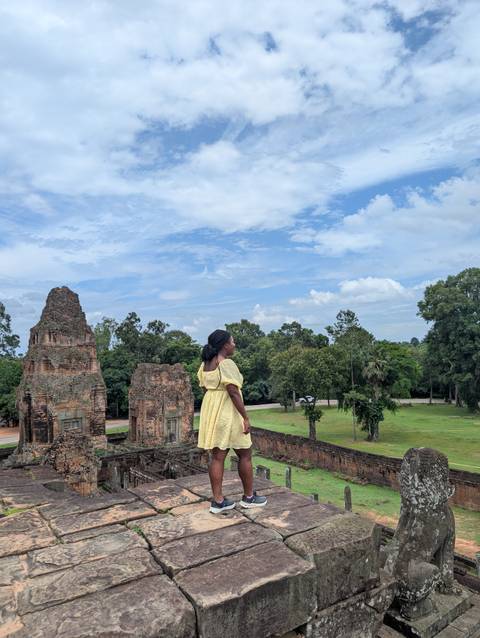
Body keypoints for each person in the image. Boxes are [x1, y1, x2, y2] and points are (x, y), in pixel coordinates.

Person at [197, 329, 268, 513]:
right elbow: (233, 391)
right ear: (224, 345)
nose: (234, 344)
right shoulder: (226, 363)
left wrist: (213, 408)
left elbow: (206, 389)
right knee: (245, 454)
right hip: (228, 412)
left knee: (218, 457)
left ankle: (218, 501)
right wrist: (245, 417)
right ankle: (249, 497)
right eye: (232, 341)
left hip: (213, 411)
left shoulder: (205, 365)